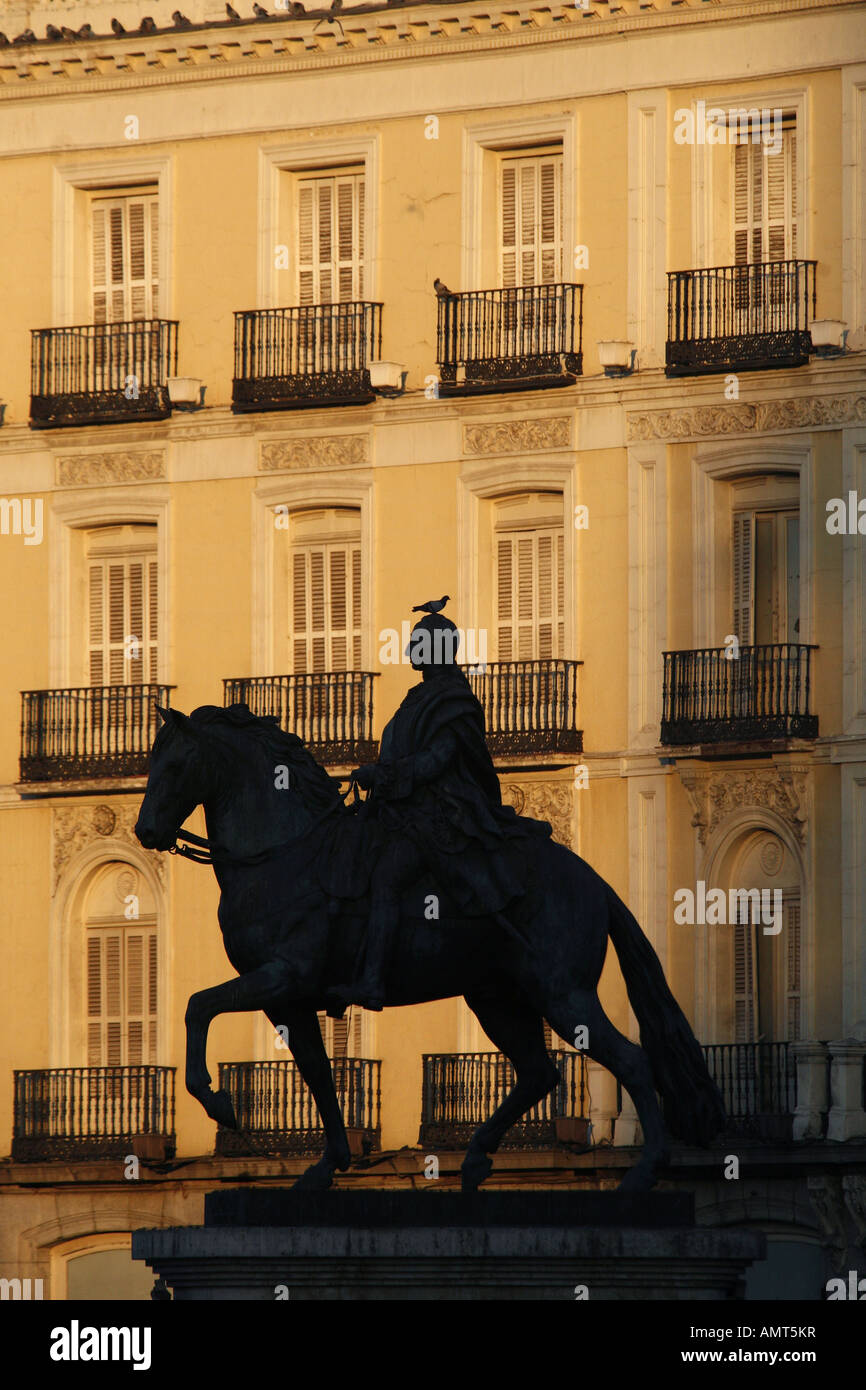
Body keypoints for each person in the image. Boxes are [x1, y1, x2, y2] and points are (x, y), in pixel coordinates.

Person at [332, 604, 551, 1010]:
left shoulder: (453, 700)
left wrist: (384, 776)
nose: (411, 645)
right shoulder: (418, 697)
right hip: (402, 808)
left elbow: (437, 760)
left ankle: (373, 980)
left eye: (419, 640)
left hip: (443, 812)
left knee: (387, 877)